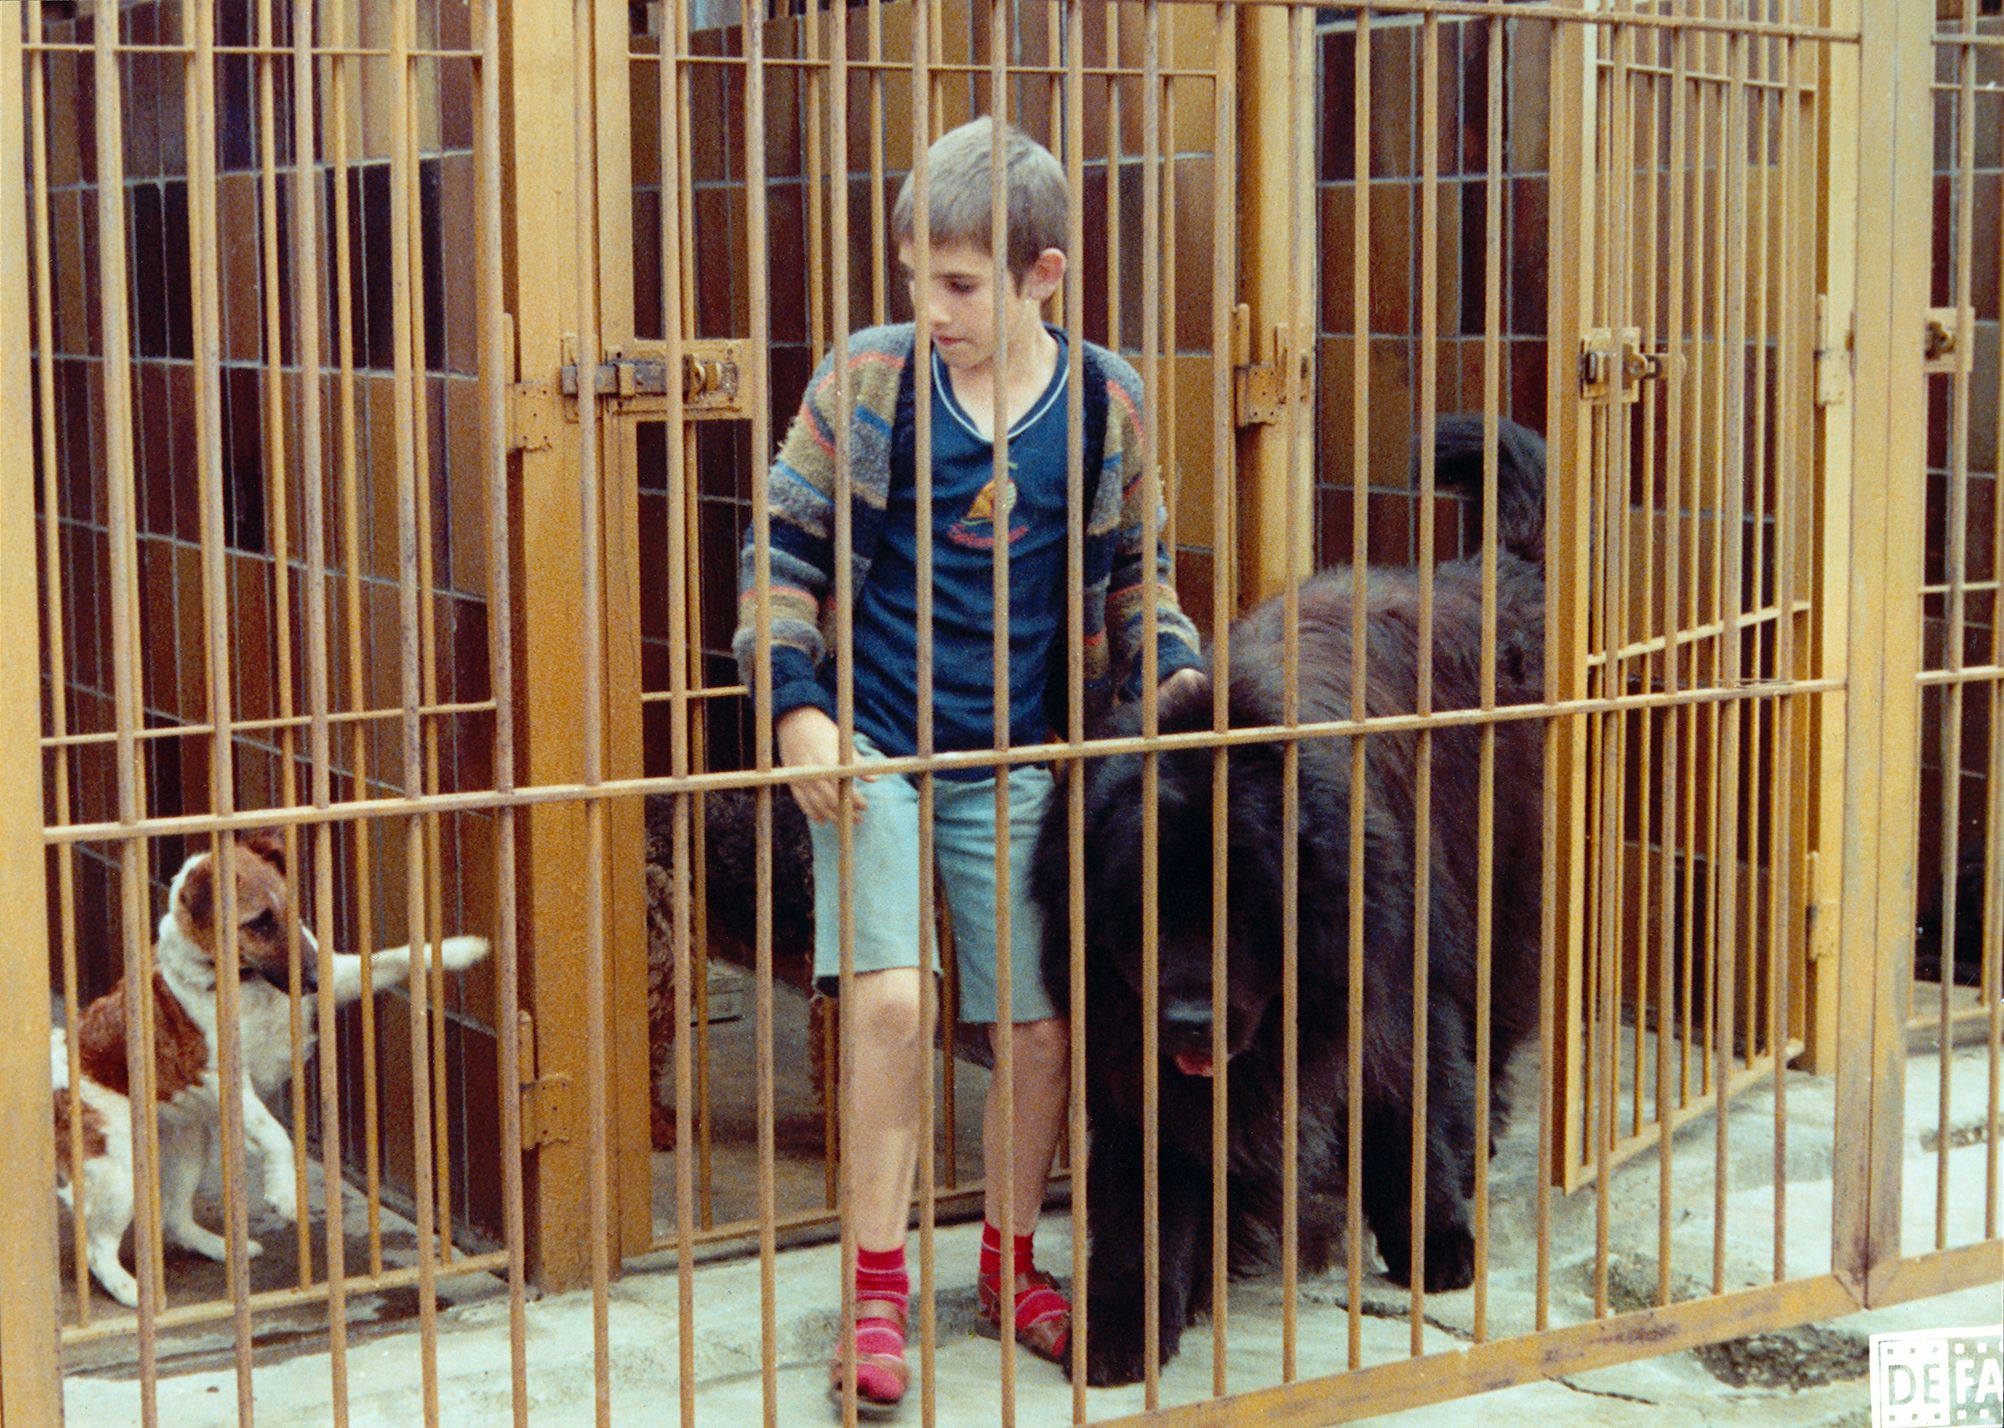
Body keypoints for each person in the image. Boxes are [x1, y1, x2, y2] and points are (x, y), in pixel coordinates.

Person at [732, 115, 1204, 1412]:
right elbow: (781, 554)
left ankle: (1009, 1265)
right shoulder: (868, 382)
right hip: (875, 747)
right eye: (915, 278)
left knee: (1040, 1032)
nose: (928, 309)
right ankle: (875, 1293)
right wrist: (797, 710)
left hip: (1018, 758)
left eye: (957, 284)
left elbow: (1140, 576)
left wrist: (1175, 683)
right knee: (891, 1007)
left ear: (1043, 276)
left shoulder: (1103, 400)